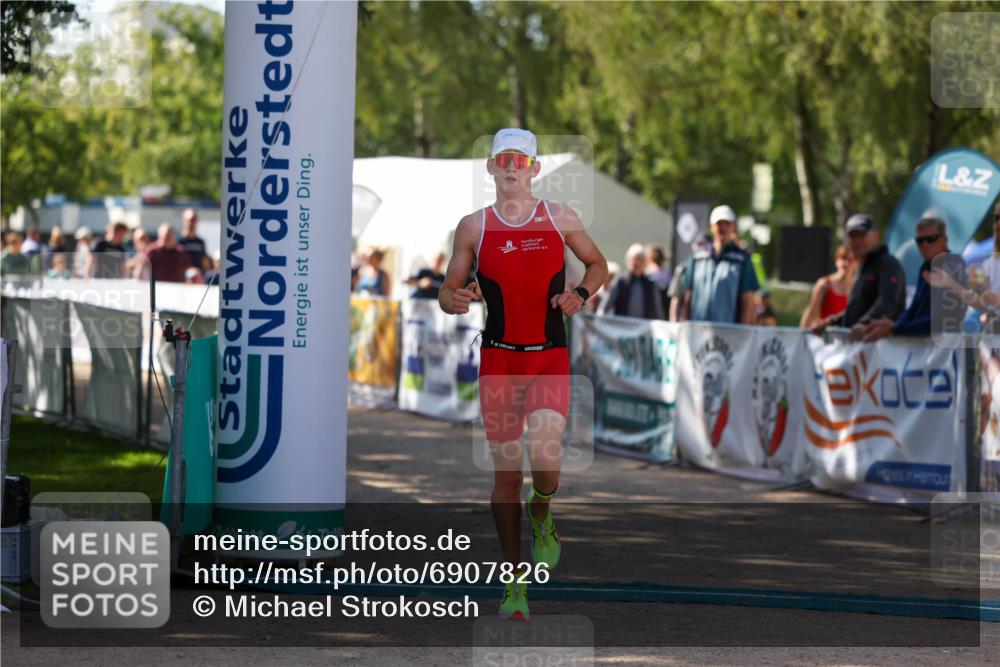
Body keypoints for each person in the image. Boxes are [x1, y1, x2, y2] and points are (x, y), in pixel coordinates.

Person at [438, 128, 607, 620]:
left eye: (520, 158)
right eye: (502, 158)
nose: (511, 166)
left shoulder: (559, 217)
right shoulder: (473, 227)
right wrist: (458, 299)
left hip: (548, 356)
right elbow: (448, 292)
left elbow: (597, 264)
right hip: (500, 361)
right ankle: (515, 583)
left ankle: (544, 510)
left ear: (534, 168)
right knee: (506, 478)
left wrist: (581, 295)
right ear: (490, 168)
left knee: (547, 454)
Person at [863, 213, 966, 341]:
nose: (925, 245)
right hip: (923, 349)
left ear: (944, 240)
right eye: (920, 240)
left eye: (931, 239)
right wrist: (894, 326)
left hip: (944, 352)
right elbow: (914, 309)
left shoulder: (953, 266)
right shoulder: (926, 266)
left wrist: (895, 328)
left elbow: (942, 321)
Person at [811, 213, 906, 340]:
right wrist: (831, 322)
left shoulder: (888, 264)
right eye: (852, 236)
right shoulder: (862, 268)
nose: (856, 241)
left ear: (876, 235)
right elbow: (856, 311)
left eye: (862, 235)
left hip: (882, 349)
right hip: (860, 348)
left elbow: (887, 302)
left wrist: (865, 324)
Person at [680, 205, 759, 323]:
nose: (722, 227)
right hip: (698, 331)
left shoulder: (742, 259)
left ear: (734, 226)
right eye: (719, 223)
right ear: (711, 227)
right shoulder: (698, 257)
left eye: (727, 223)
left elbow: (747, 301)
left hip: (728, 334)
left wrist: (742, 335)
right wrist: (687, 327)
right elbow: (688, 297)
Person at [600, 244, 665, 319]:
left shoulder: (651, 284)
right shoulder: (620, 281)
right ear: (628, 261)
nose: (637, 263)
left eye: (640, 260)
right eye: (634, 259)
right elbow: (604, 307)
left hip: (643, 329)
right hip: (622, 328)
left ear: (645, 262)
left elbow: (658, 312)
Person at [800, 244, 856, 328]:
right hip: (825, 336)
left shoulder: (858, 287)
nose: (846, 263)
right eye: (843, 258)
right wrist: (800, 335)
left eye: (850, 260)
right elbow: (811, 312)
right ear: (837, 260)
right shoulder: (824, 284)